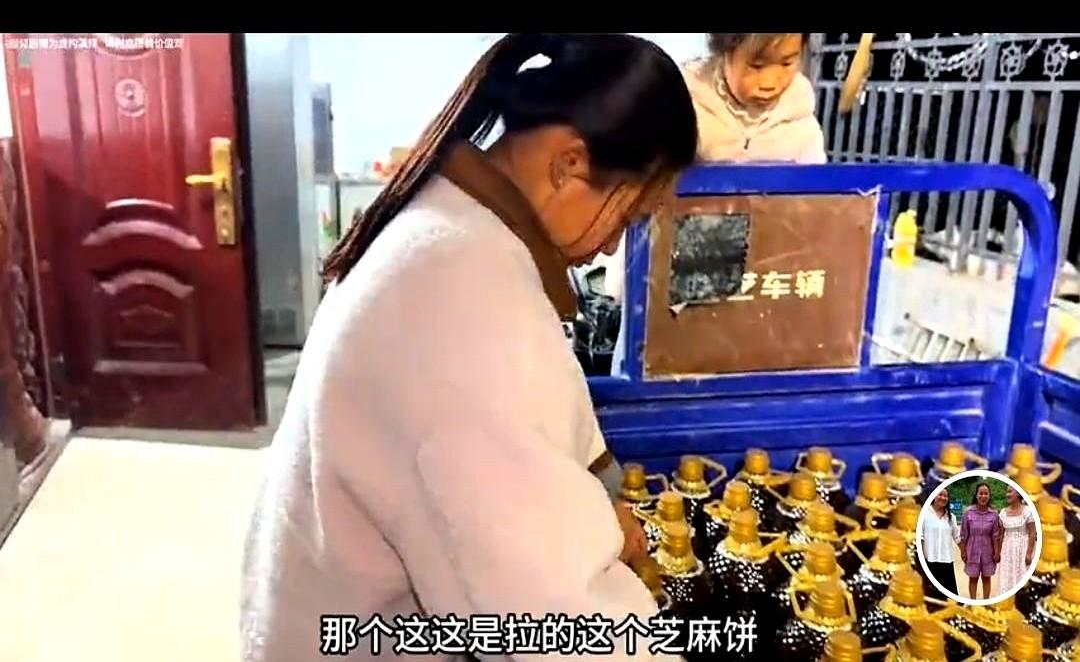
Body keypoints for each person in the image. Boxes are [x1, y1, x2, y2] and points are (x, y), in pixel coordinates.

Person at [240, 33, 698, 662]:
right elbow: (546, 613)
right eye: (625, 216)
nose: (615, 245)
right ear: (568, 165)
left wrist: (591, 518)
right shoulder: (465, 305)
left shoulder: (450, 228)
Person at [606, 32, 827, 376]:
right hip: (674, 286)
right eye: (756, 65)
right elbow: (643, 189)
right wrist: (628, 282)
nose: (771, 81)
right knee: (657, 380)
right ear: (725, 48)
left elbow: (817, 212)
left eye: (787, 63)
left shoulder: (802, 128)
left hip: (755, 293)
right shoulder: (683, 105)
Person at [960, 481, 1005, 600]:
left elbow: (995, 536)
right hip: (972, 551)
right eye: (981, 493)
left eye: (986, 494)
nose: (983, 496)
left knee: (986, 578)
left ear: (989, 496)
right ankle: (972, 602)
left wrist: (997, 553)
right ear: (976, 495)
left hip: (988, 552)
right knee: (973, 578)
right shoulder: (968, 513)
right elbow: (963, 534)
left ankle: (986, 602)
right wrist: (963, 551)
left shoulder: (994, 515)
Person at [997, 484, 1038, 593]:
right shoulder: (1003, 513)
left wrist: (1029, 553)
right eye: (1007, 492)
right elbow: (1000, 535)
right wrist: (998, 553)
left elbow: (1032, 534)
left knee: (1022, 576)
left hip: (1022, 548)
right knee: (1007, 578)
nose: (1007, 494)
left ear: (1019, 493)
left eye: (1010, 491)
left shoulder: (1028, 511)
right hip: (1007, 550)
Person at [921, 488, 960, 598]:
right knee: (931, 596)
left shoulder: (951, 517)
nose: (943, 498)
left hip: (946, 562)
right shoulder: (924, 514)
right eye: (940, 495)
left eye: (946, 496)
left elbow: (957, 538)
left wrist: (966, 554)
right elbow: (920, 538)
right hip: (929, 562)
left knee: (951, 598)